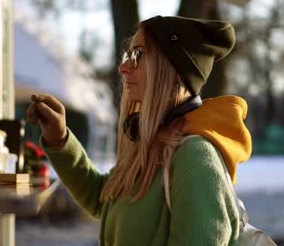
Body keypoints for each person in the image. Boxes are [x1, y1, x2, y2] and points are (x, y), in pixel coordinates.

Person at [27, 15, 252, 246]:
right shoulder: (154, 143)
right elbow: (103, 197)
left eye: (137, 55)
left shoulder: (195, 158)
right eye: (127, 56)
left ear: (170, 68)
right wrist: (60, 139)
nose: (123, 68)